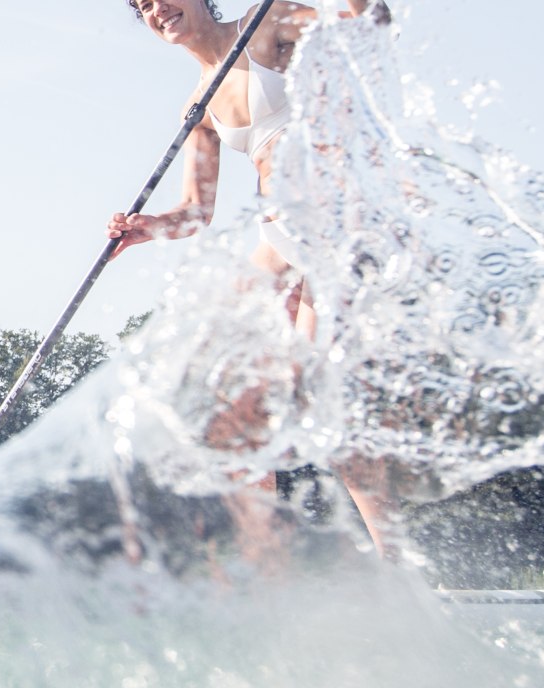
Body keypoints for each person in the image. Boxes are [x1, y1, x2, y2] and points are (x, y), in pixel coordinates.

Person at [106, 1, 399, 554]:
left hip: (337, 223)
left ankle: (399, 566)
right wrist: (149, 227)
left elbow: (370, 29)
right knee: (227, 407)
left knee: (327, 411)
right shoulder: (198, 105)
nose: (157, 9)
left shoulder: (266, 22)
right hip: (282, 235)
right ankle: (266, 568)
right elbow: (196, 211)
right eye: (143, 5)